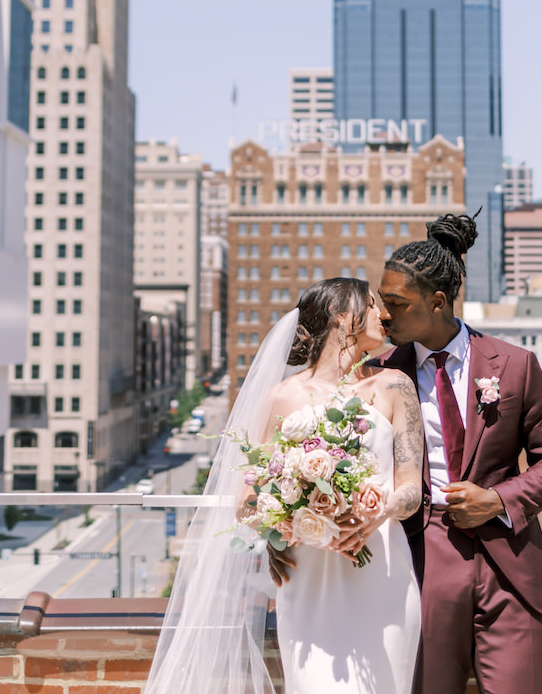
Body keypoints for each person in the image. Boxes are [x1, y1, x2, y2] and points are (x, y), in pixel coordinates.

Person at [145, 277, 425, 694]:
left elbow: (411, 492)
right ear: (340, 315)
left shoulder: (394, 387)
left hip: (382, 574)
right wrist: (293, 522)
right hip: (308, 576)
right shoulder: (281, 398)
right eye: (370, 304)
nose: (382, 314)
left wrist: (371, 514)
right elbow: (247, 502)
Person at [375, 212, 542, 693]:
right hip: (419, 564)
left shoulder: (514, 365)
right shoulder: (378, 374)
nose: (383, 315)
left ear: (438, 302)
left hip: (510, 567)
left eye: (396, 304)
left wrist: (501, 500)